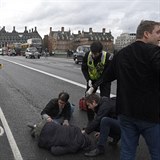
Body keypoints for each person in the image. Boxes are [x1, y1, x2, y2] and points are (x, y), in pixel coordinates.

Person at [103, 20, 160, 160]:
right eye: (158, 32)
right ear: (146, 34)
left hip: (126, 112)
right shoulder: (154, 52)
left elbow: (108, 77)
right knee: (157, 152)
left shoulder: (121, 54)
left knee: (127, 152)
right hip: (150, 114)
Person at [81, 41, 113, 121]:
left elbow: (106, 75)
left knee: (105, 100)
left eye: (96, 54)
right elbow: (84, 68)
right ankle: (91, 120)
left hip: (105, 80)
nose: (93, 55)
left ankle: (103, 119)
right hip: (92, 79)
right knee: (88, 97)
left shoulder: (108, 57)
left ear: (100, 52)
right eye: (92, 53)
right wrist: (88, 80)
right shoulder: (87, 55)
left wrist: (95, 86)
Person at [28, 120, 92, 155]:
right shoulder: (74, 147)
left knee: (50, 127)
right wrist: (51, 147)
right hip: (45, 137)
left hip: (48, 125)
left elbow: (67, 126)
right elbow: (55, 151)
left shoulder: (77, 129)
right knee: (44, 137)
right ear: (83, 146)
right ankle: (36, 131)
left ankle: (36, 126)